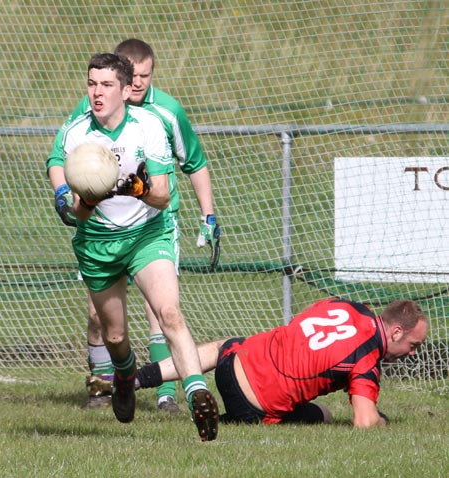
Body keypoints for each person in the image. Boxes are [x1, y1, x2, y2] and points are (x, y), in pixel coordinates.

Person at [47, 52, 219, 442]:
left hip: (146, 234)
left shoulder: (149, 127)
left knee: (169, 313)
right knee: (114, 336)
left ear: (126, 90)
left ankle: (197, 396)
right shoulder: (77, 133)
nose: (97, 92)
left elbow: (161, 195)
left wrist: (140, 190)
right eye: (92, 83)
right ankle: (124, 373)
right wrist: (81, 200)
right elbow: (78, 212)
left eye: (106, 85)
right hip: (98, 243)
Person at [134, 297, 428, 428]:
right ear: (396, 331)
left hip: (233, 364)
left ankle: (137, 378)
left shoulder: (345, 305)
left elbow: (303, 321)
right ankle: (231, 421)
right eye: (413, 346)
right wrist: (381, 421)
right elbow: (363, 423)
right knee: (323, 416)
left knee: (225, 344)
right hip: (253, 405)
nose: (412, 353)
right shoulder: (367, 358)